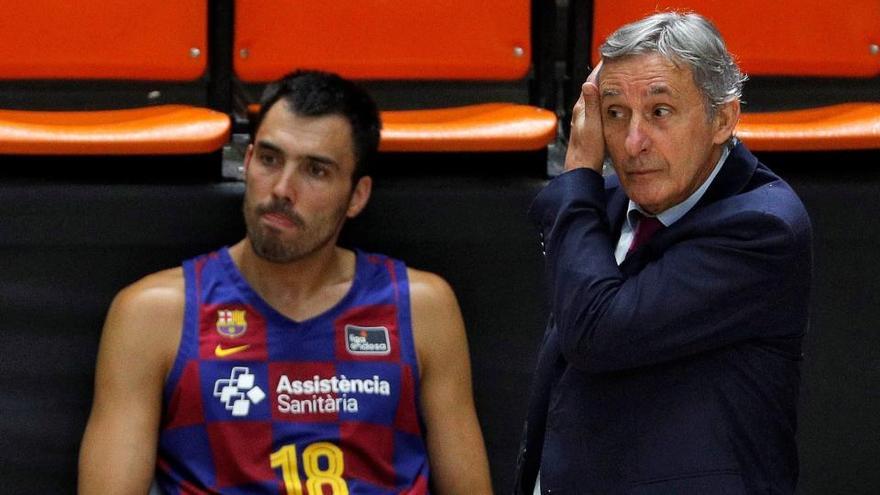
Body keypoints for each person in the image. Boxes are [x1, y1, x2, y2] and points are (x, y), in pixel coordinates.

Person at [79, 70, 492, 495]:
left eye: (315, 170)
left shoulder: (421, 307)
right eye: (270, 159)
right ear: (248, 159)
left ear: (357, 196)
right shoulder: (154, 313)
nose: (281, 189)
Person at [514, 12, 812, 494]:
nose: (632, 143)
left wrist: (575, 178)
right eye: (614, 113)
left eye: (659, 112)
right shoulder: (606, 206)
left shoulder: (762, 226)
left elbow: (596, 334)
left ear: (723, 119)